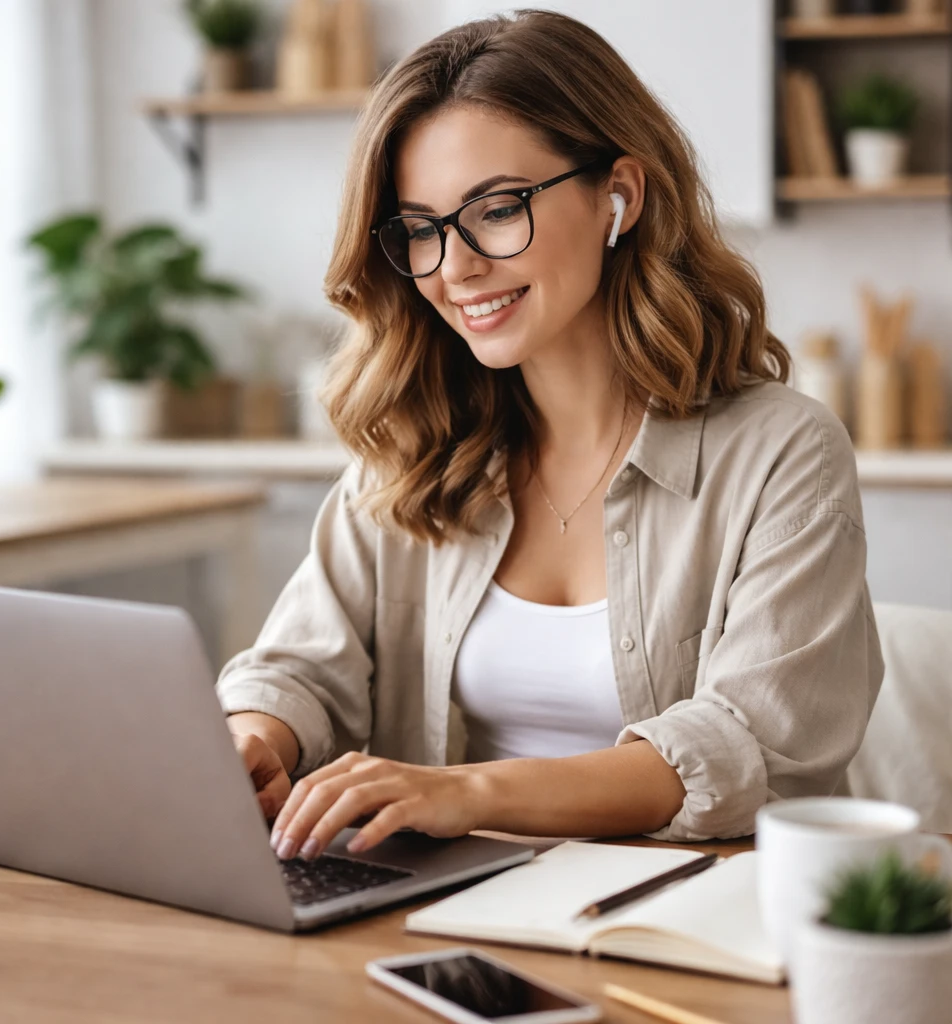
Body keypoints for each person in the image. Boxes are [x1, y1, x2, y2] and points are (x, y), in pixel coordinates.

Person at [218, 10, 883, 863]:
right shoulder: (414, 448)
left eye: (495, 210)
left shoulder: (783, 454)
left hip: (684, 929)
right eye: (420, 230)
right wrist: (256, 740)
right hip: (437, 918)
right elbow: (302, 669)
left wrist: (462, 793)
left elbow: (744, 746)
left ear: (620, 196)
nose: (454, 268)